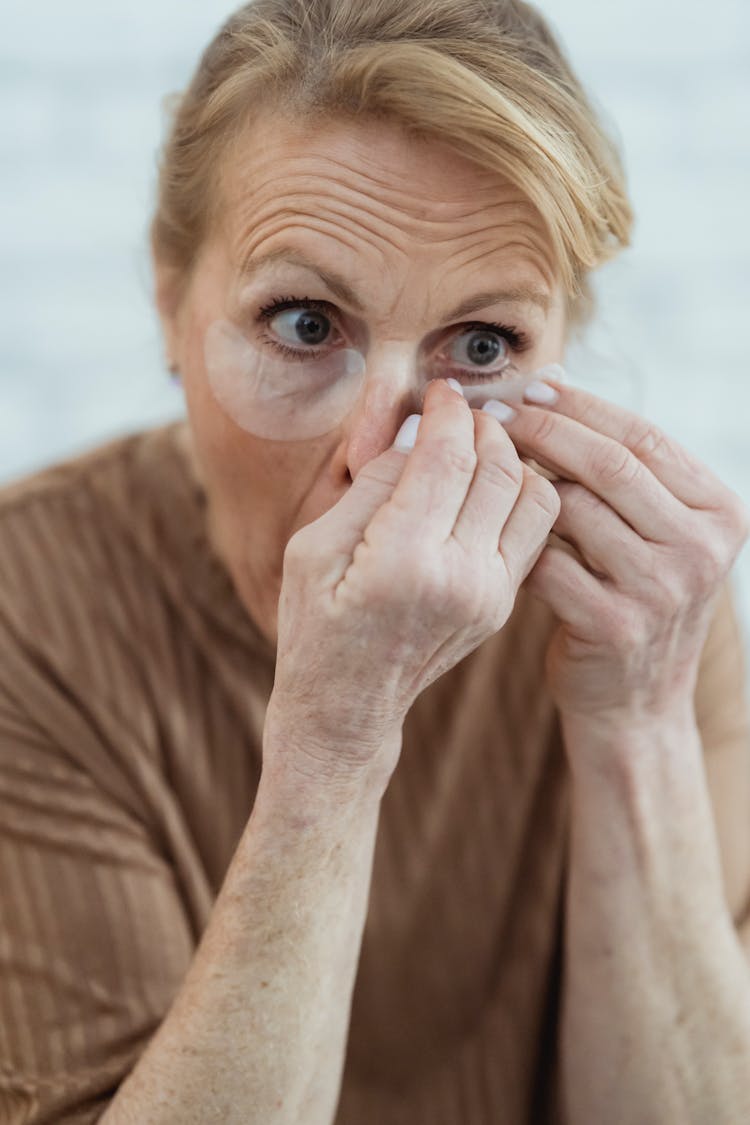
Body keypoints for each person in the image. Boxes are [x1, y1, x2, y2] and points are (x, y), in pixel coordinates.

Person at [1, 0, 749, 1121]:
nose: (377, 455)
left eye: (483, 347)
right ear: (169, 303)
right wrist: (334, 741)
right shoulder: (29, 606)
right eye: (304, 324)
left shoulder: (635, 606)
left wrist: (637, 721)